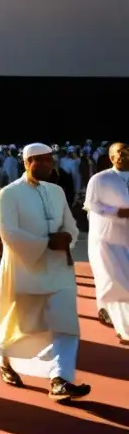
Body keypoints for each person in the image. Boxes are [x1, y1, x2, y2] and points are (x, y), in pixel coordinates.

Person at [0, 143, 92, 402]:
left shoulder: (57, 191)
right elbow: (8, 233)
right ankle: (6, 361)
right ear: (28, 162)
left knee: (66, 324)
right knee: (21, 325)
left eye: (51, 160)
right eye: (43, 161)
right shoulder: (8, 194)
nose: (50, 165)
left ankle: (60, 379)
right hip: (25, 267)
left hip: (59, 269)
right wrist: (47, 242)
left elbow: (70, 225)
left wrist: (66, 238)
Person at [84, 142, 129, 344]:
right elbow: (91, 205)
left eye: (127, 151)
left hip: (126, 238)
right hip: (106, 239)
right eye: (119, 152)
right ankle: (124, 329)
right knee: (114, 281)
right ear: (111, 157)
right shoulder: (100, 179)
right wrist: (118, 212)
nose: (124, 155)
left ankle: (106, 309)